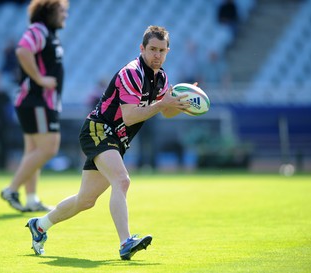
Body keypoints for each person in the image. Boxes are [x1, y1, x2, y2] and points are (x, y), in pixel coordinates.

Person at [25, 25, 192, 260]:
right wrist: (163, 104)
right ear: (142, 48)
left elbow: (165, 112)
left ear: (168, 51)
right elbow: (131, 115)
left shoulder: (161, 78)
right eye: (152, 49)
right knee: (122, 181)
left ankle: (40, 225)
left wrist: (183, 104)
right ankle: (125, 242)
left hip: (116, 139)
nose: (157, 55)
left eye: (162, 50)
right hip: (98, 129)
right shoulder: (132, 73)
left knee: (85, 200)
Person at [0, 0, 69, 212]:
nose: (65, 15)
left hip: (37, 101)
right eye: (61, 11)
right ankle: (12, 189)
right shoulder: (38, 29)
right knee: (48, 148)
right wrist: (39, 79)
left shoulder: (49, 33)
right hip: (37, 100)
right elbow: (22, 51)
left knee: (33, 151)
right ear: (48, 11)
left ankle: (31, 199)